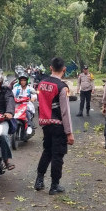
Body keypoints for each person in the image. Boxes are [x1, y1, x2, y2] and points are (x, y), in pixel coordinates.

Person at [34, 57, 74, 195]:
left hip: (45, 125)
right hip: (58, 126)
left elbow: (39, 104)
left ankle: (39, 180)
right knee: (58, 155)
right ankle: (54, 185)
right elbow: (65, 112)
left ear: (50, 68)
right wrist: (69, 132)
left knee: (47, 151)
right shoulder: (62, 87)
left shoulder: (41, 84)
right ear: (64, 69)